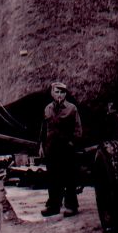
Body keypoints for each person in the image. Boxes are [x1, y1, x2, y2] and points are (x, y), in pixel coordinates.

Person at [39, 81, 82, 217]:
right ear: (52, 93)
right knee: (52, 178)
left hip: (66, 149)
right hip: (51, 149)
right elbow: (43, 129)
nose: (59, 95)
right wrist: (41, 145)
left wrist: (71, 143)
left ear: (65, 94)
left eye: (62, 92)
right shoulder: (47, 109)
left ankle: (71, 206)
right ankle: (53, 206)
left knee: (69, 178)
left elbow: (78, 129)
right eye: (56, 92)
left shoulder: (72, 109)